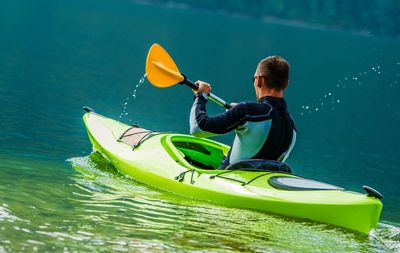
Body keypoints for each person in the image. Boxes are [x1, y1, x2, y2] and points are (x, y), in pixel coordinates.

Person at [189, 56, 296, 169]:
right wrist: (237, 114)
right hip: (261, 184)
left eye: (253, 79)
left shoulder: (247, 111)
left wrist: (201, 96)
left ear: (259, 80)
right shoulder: (292, 126)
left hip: (229, 181)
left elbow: (198, 129)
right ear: (286, 84)